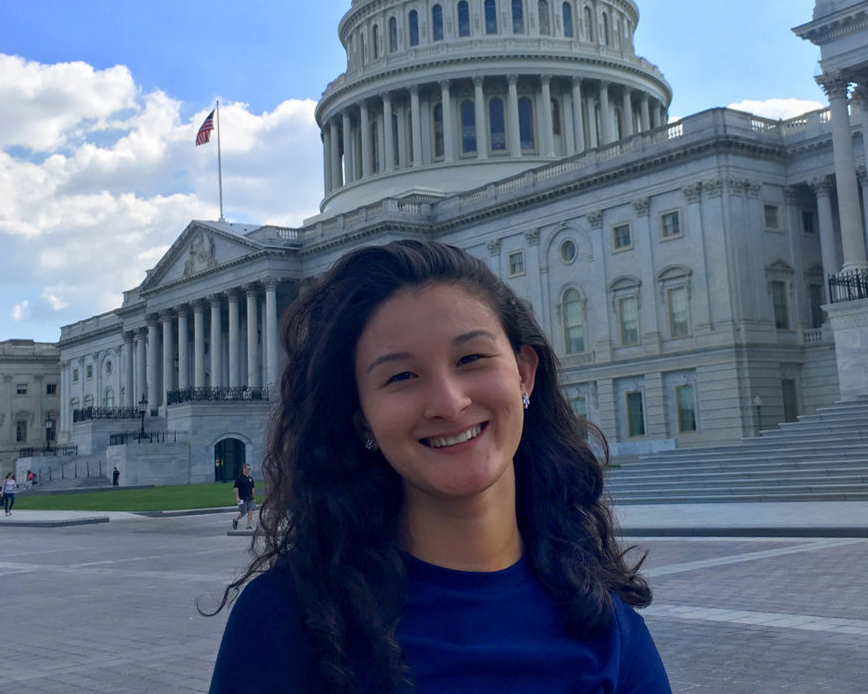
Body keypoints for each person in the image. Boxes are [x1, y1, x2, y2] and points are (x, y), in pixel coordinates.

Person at [209, 239, 671, 694]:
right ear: (361, 418)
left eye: (471, 358)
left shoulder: (608, 627)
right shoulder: (288, 623)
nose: (450, 404)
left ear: (524, 373)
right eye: (401, 376)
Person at [231, 463, 256, 531]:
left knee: (250, 511)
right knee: (243, 512)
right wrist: (237, 497)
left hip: (250, 498)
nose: (249, 470)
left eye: (249, 469)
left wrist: (253, 496)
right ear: (244, 469)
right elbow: (236, 488)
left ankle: (249, 526)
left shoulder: (250, 478)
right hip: (242, 498)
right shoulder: (239, 478)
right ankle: (236, 520)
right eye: (248, 468)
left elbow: (252, 488)